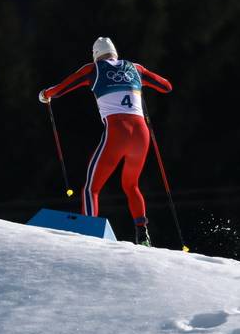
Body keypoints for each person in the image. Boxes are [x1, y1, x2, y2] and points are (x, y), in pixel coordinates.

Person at [39, 37, 172, 246]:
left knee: (91, 188)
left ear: (96, 55)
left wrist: (45, 94)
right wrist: (139, 80)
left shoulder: (93, 69)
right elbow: (166, 87)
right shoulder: (135, 68)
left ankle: (89, 234)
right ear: (115, 53)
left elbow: (61, 89)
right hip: (141, 134)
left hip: (117, 131)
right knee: (131, 185)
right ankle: (142, 233)